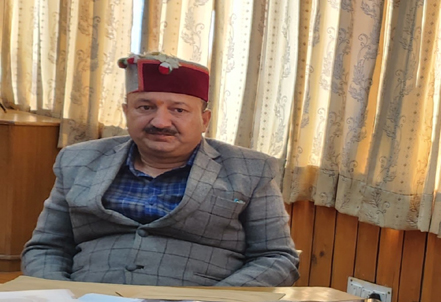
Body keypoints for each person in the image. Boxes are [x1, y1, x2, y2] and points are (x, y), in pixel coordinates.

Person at [22, 52, 299, 287]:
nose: (161, 122)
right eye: (145, 107)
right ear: (126, 112)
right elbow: (46, 247)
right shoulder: (78, 160)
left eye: (178, 110)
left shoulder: (250, 169)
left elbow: (276, 258)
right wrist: (62, 301)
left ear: (204, 120)